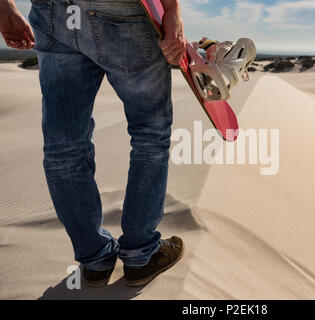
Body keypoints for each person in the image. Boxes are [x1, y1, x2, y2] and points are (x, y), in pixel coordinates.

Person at [0, 0, 185, 288]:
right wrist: (172, 10)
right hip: (121, 12)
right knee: (150, 132)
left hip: (53, 13)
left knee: (64, 147)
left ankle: (95, 258)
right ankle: (141, 255)